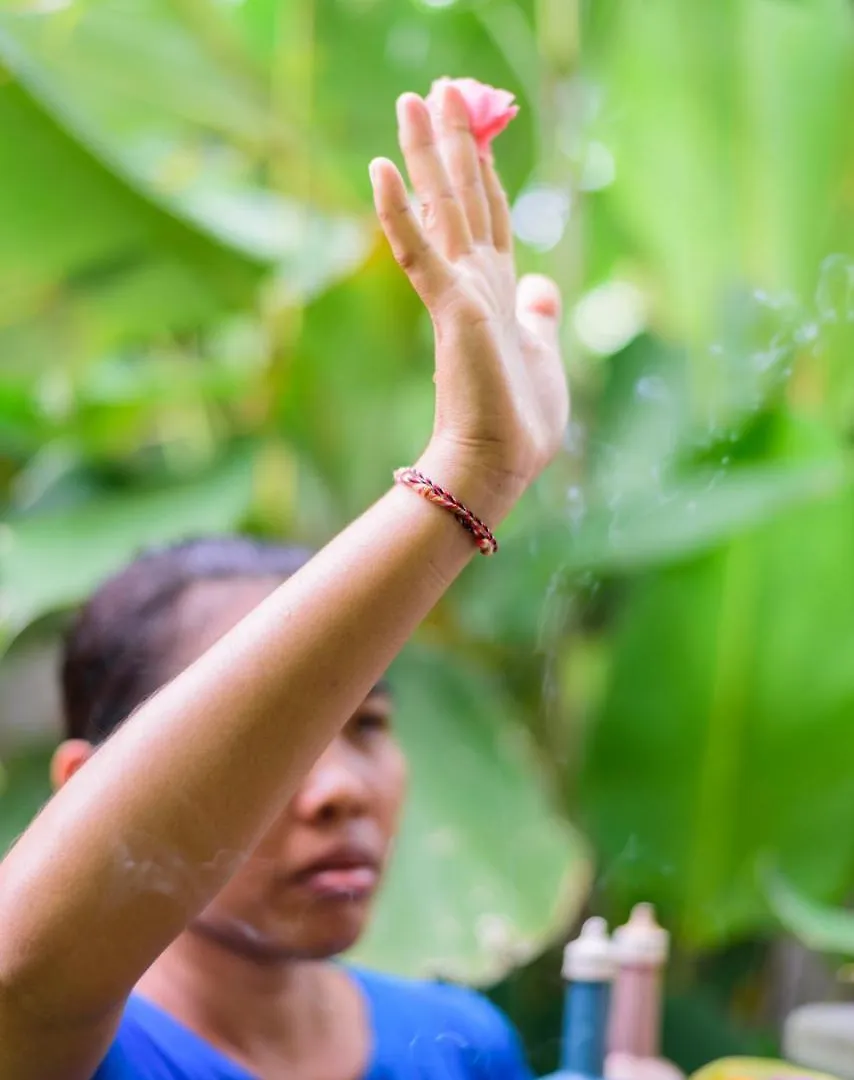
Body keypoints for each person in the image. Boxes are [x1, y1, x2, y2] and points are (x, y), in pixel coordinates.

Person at [0, 82, 568, 1080]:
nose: (339, 791)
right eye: (279, 740)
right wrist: (467, 473)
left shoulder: (461, 1043)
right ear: (87, 791)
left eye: (369, 724)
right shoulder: (66, 1046)